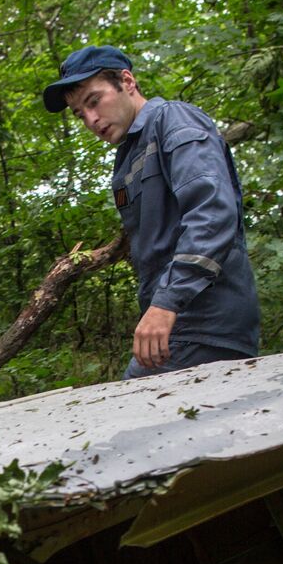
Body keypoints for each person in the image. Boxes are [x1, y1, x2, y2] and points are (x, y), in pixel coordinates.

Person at [43, 46, 260, 379]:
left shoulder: (173, 121)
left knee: (123, 420)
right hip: (181, 327)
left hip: (204, 325)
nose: (90, 120)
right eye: (78, 113)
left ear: (127, 82)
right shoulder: (128, 158)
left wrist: (165, 305)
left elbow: (213, 214)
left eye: (93, 101)